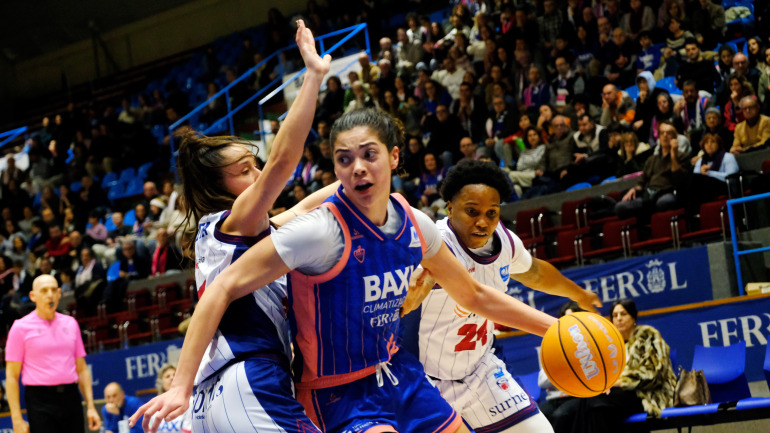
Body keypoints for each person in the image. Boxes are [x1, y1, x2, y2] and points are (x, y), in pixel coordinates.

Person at [131, 108, 557, 433]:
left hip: (395, 370)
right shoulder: (298, 230)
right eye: (344, 159)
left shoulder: (408, 221)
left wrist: (556, 327)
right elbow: (282, 167)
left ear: (392, 157)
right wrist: (315, 76)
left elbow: (476, 295)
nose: (357, 167)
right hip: (329, 388)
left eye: (370, 155)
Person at [130, 20, 333, 433]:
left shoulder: (242, 232)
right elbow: (282, 164)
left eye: (254, 165)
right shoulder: (234, 222)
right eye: (245, 170)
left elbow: (312, 204)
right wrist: (312, 76)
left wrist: (366, 175)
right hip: (250, 379)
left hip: (223, 391)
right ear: (220, 188)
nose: (258, 175)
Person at [401, 160, 601, 433]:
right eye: (472, 211)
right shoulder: (434, 242)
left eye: (492, 213)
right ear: (449, 207)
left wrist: (579, 294)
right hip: (425, 378)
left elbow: (536, 273)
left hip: (480, 371)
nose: (483, 222)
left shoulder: (505, 242)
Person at [552, 299, 677, 433]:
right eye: (615, 315)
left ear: (633, 316)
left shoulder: (648, 335)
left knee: (597, 407)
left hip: (646, 394)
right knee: (583, 405)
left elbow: (654, 374)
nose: (619, 319)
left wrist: (618, 382)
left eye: (623, 314)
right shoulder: (608, 341)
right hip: (616, 394)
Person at [5, 274, 101, 433]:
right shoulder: (20, 328)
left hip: (71, 396)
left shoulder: (70, 324)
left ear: (59, 293)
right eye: (44, 290)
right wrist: (16, 419)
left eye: (53, 290)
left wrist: (90, 407)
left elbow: (82, 369)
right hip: (40, 400)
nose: (49, 294)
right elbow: (11, 376)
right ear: (33, 296)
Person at [615, 120, 690, 219]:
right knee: (620, 207)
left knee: (663, 202)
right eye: (662, 133)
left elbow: (679, 181)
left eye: (668, 133)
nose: (665, 135)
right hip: (650, 194)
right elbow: (642, 182)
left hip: (669, 192)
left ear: (674, 137)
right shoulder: (652, 159)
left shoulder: (681, 157)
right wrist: (634, 189)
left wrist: (673, 156)